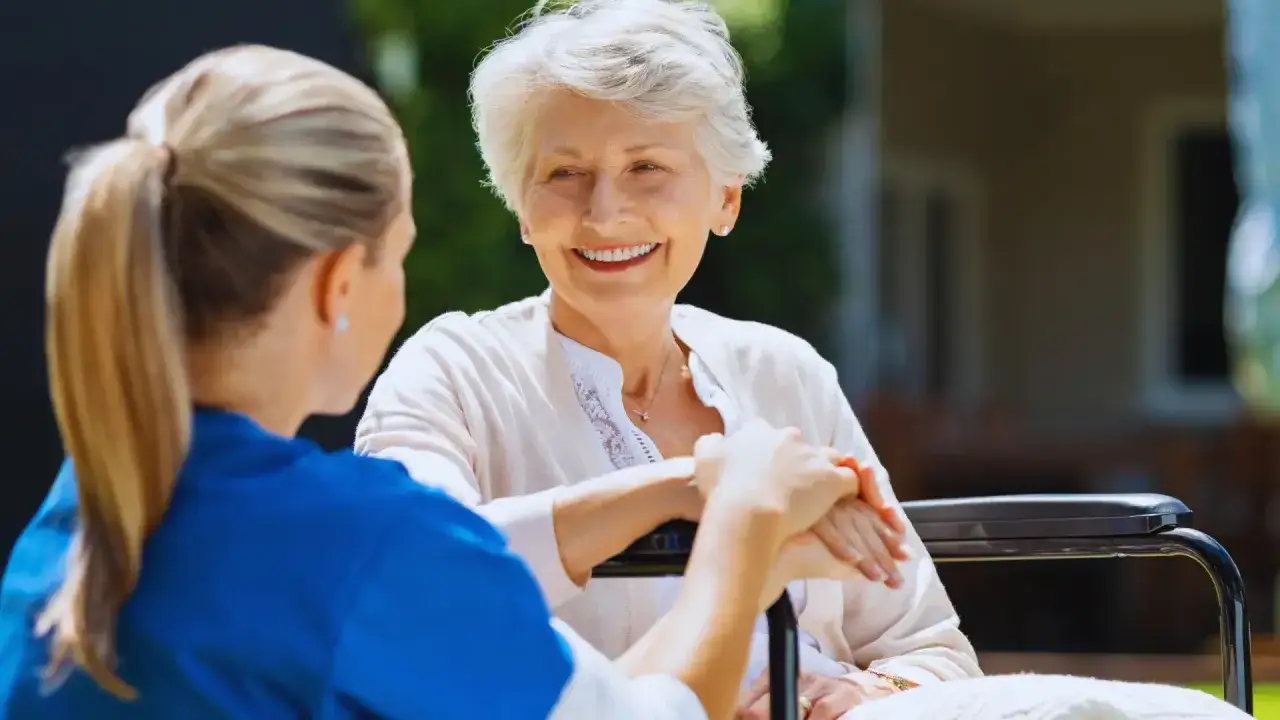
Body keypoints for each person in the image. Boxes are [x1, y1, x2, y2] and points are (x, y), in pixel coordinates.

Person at [0, 44, 881, 720]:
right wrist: (744, 518)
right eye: (399, 257)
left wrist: (681, 486)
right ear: (337, 284)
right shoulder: (364, 545)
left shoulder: (81, 517)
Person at [354, 1, 979, 717]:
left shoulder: (786, 372)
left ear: (725, 198)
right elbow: (410, 580)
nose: (604, 212)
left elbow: (930, 648)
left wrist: (860, 692)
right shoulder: (451, 371)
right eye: (564, 173)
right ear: (522, 207)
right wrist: (699, 486)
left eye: (646, 166)